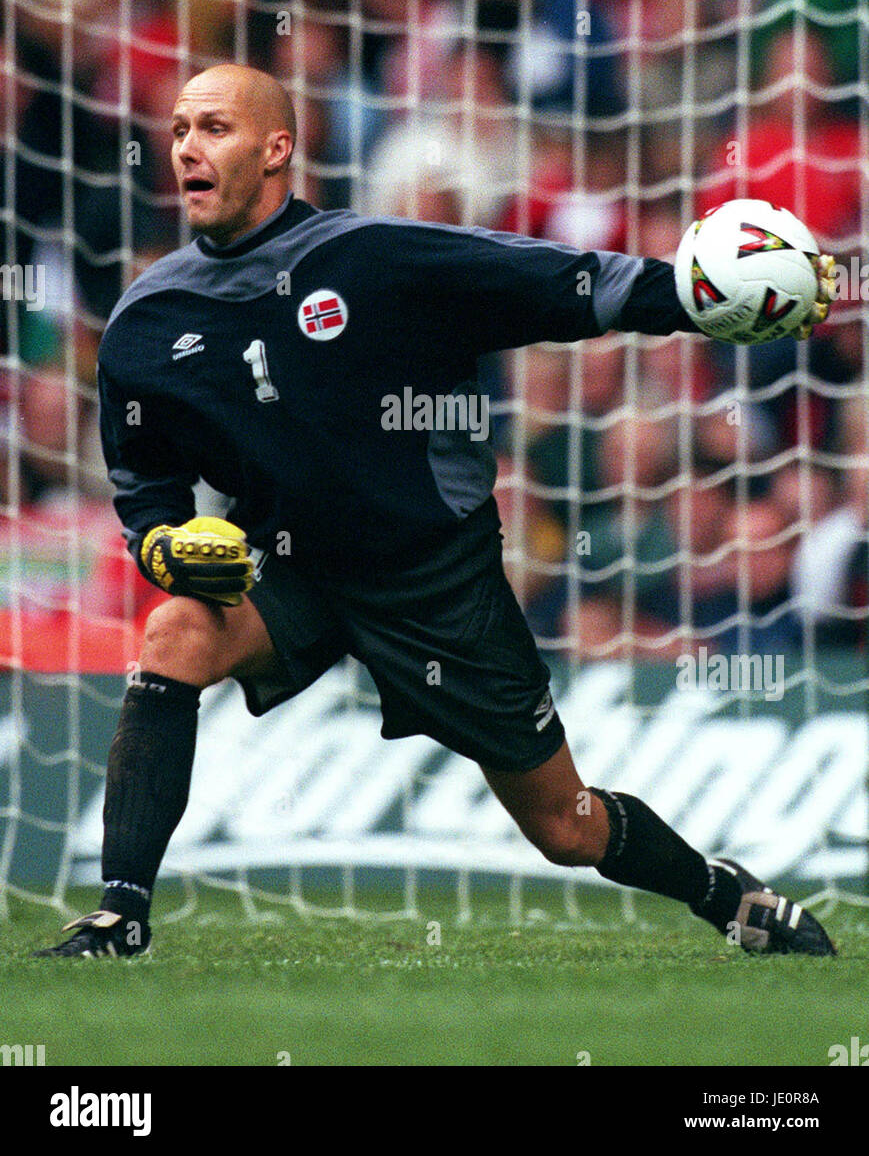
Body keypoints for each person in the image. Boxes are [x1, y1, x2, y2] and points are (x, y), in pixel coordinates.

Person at [35, 64, 836, 959]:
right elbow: (145, 493)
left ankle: (724, 895)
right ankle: (120, 913)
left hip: (436, 580)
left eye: (214, 127)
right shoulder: (148, 322)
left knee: (564, 827)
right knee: (174, 633)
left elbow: (569, 285)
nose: (186, 145)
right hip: (291, 568)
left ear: (276, 149)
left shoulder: (377, 260)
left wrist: (695, 299)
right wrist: (162, 549)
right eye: (180, 128)